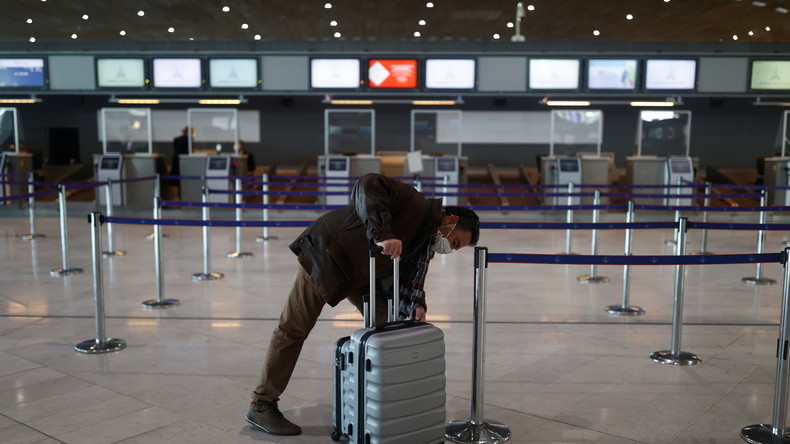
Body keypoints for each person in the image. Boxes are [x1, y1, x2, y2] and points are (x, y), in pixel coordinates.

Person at [246, 173, 480, 436]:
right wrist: (383, 233)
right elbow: (368, 183)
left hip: (359, 274)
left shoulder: (424, 239)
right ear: (451, 220)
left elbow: (413, 274)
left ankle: (384, 404)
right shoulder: (414, 202)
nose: (449, 247)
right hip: (328, 256)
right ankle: (262, 405)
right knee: (293, 329)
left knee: (387, 328)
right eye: (455, 241)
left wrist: (417, 303)